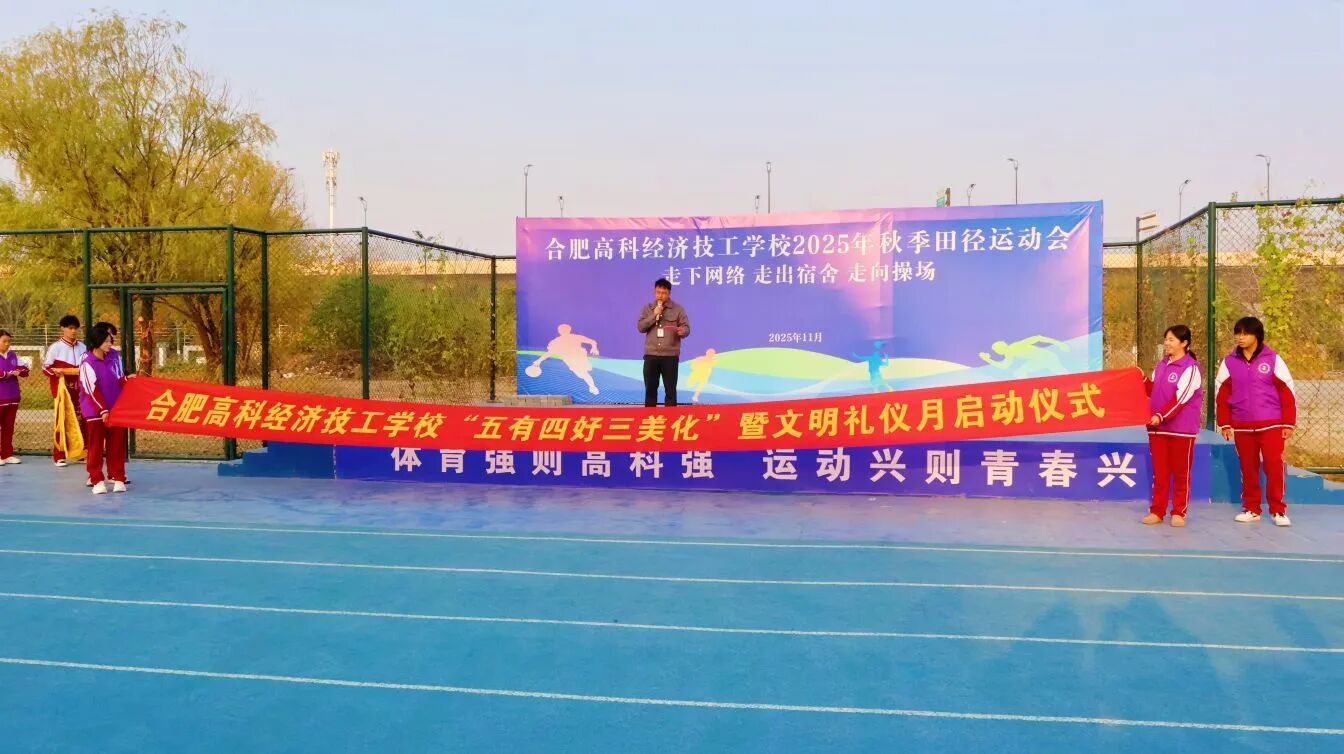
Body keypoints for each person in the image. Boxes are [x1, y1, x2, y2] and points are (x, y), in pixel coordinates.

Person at [1215, 316, 1296, 526]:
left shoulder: (1273, 359)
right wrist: (1225, 423)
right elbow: (1221, 395)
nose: (1240, 337)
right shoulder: (1229, 362)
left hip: (1271, 424)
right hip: (1242, 425)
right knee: (1248, 468)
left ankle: (1278, 510)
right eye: (1238, 333)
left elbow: (1287, 392)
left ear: (1257, 335)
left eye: (1245, 333)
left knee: (1273, 466)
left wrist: (1288, 423)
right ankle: (1252, 509)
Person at [1142, 325, 1202, 527]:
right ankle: (1157, 511)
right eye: (1166, 339)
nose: (1166, 343)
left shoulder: (1191, 368)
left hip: (1181, 430)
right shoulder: (1161, 365)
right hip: (1157, 428)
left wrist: (1161, 415)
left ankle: (1178, 512)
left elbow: (1181, 398)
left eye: (1171, 340)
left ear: (1184, 343)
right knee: (1160, 472)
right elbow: (1153, 391)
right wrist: (1141, 380)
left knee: (1181, 472)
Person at [79, 323, 128, 495]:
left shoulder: (113, 358)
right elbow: (91, 390)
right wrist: (103, 410)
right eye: (106, 341)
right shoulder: (87, 363)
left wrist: (129, 380)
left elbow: (119, 380)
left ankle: (118, 477)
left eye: (110, 340)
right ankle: (96, 479)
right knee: (96, 447)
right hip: (95, 413)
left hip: (115, 410)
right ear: (96, 342)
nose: (110, 344)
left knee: (116, 446)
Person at [636, 278, 690, 407]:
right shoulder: (648, 308)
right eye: (658, 292)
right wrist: (654, 315)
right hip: (651, 355)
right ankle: (650, 417)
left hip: (670, 356)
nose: (660, 295)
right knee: (650, 390)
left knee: (670, 391)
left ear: (669, 293)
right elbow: (641, 327)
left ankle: (670, 418)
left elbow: (687, 328)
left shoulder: (678, 309)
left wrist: (683, 331)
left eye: (663, 293)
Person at [42, 314, 88, 466]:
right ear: (63, 328)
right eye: (70, 328)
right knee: (61, 421)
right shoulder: (55, 348)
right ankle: (59, 455)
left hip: (80, 390)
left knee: (81, 420)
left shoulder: (83, 347)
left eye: (76, 328)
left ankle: (79, 452)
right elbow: (45, 368)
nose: (73, 331)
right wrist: (56, 373)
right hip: (63, 391)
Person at [526, 324, 601, 395]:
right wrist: (594, 348)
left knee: (583, 374)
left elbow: (549, 353)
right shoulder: (561, 340)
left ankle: (592, 387)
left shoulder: (558, 341)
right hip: (576, 359)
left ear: (560, 331)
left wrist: (539, 361)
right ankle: (589, 377)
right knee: (581, 375)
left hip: (576, 359)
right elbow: (593, 342)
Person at [0, 329, 30, 464]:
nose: (7, 344)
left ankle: (7, 455)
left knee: (9, 427)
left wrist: (19, 371)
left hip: (13, 397)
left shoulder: (13, 355)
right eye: (4, 341)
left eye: (9, 342)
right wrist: (6, 374)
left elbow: (25, 369)